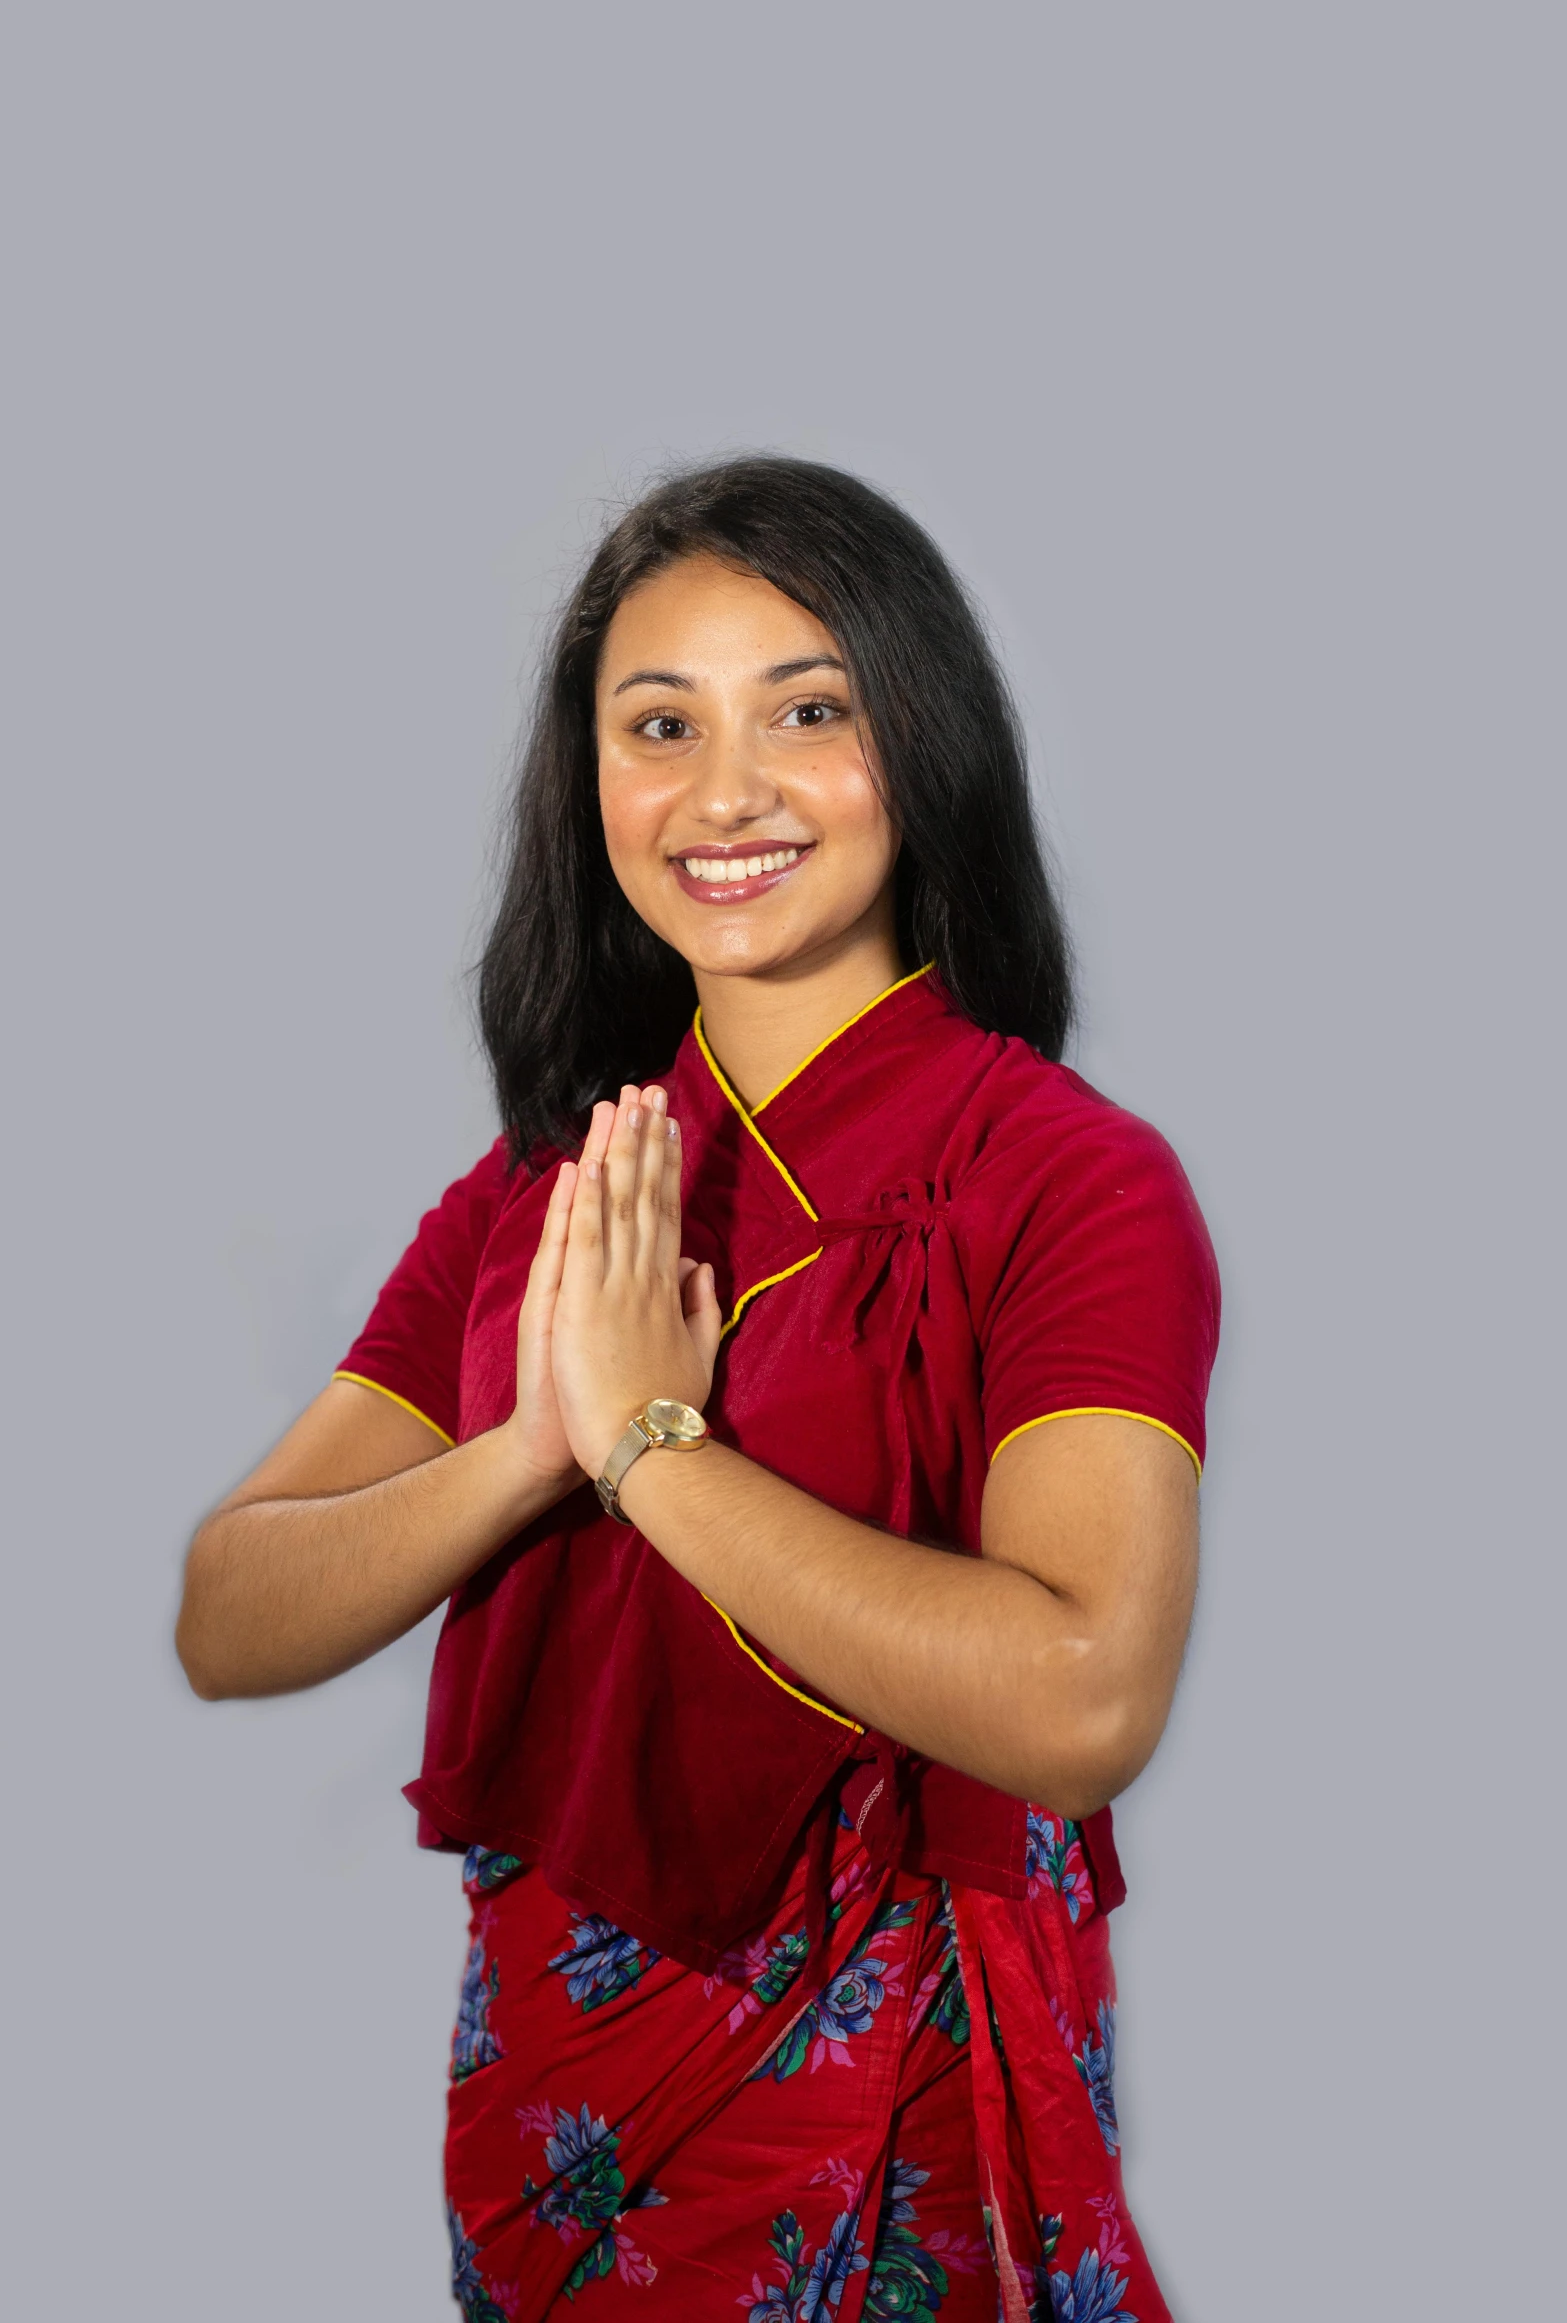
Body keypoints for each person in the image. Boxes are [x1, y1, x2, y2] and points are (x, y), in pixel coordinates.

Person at [177, 457, 1219, 2323]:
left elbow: (1078, 1699)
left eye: (806, 711)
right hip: (566, 2092)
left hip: (888, 2067)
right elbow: (229, 1612)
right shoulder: (547, 1188)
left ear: (923, 739)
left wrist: (654, 1456)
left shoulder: (1065, 1178)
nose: (724, 795)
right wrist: (527, 1449)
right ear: (590, 785)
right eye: (657, 725)